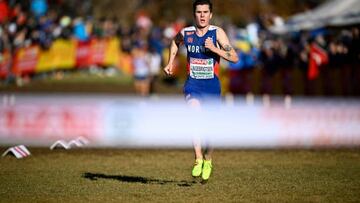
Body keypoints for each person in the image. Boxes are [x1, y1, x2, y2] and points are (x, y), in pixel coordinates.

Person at [163, 0, 238, 182]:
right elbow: (175, 42)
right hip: (193, 85)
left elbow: (234, 57)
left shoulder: (217, 33)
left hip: (212, 86)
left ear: (210, 15)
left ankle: (208, 159)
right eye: (199, 12)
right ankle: (198, 158)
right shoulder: (186, 33)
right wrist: (170, 62)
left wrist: (215, 49)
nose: (202, 15)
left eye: (205, 12)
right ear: (194, 14)